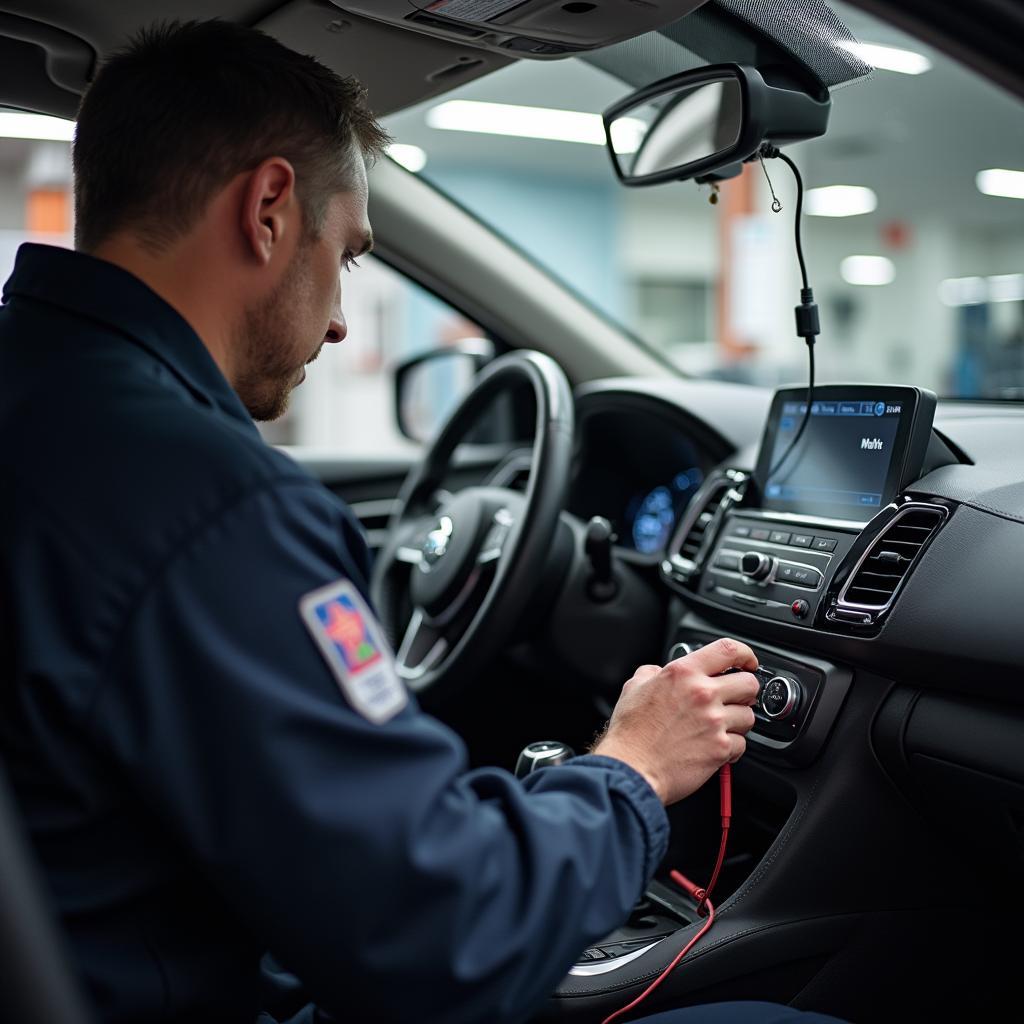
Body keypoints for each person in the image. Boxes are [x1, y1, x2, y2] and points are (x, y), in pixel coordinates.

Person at [0, 19, 844, 1024]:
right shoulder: (210, 505)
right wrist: (631, 769)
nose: (342, 321)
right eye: (347, 255)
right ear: (270, 209)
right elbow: (452, 940)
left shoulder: (42, 402)